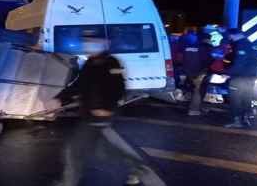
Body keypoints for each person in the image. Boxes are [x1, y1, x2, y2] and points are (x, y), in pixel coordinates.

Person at [52, 29, 163, 186]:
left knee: (74, 149)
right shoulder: (90, 62)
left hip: (101, 112)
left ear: (104, 43)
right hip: (90, 111)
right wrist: (59, 97)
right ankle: (138, 166)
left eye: (93, 41)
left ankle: (68, 182)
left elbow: (119, 88)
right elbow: (79, 84)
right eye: (86, 40)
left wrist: (106, 107)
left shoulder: (112, 62)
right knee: (99, 149)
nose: (89, 44)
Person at [223, 28, 257, 128]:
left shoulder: (240, 45)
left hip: (240, 76)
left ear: (233, 35)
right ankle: (246, 118)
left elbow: (239, 62)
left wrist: (228, 73)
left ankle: (237, 120)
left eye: (230, 36)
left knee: (235, 98)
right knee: (246, 97)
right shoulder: (253, 45)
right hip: (252, 76)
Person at [182, 33, 214, 115]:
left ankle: (192, 105)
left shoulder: (188, 47)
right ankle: (193, 110)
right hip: (200, 73)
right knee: (198, 92)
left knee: (192, 89)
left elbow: (183, 59)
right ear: (206, 39)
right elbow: (208, 61)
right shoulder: (205, 48)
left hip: (188, 72)